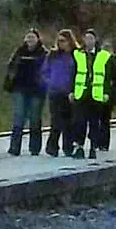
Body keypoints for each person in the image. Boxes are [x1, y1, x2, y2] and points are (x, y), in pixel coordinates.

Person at [69, 29, 116, 160]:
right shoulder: (77, 54)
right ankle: (79, 146)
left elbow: (109, 77)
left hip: (96, 94)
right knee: (79, 122)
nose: (88, 41)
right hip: (81, 93)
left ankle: (93, 147)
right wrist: (71, 91)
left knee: (94, 122)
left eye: (91, 38)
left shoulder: (104, 56)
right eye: (86, 38)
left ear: (95, 40)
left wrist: (107, 93)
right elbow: (73, 74)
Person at [4, 28, 48, 156]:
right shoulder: (19, 52)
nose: (30, 39)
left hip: (37, 90)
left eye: (33, 37)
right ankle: (14, 148)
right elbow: (11, 67)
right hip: (20, 88)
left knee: (35, 118)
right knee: (19, 116)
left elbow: (47, 70)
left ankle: (34, 148)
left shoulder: (43, 53)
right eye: (28, 37)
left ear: (38, 39)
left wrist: (44, 82)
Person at [41, 29, 78, 157]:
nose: (61, 43)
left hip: (69, 92)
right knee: (56, 120)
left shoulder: (76, 55)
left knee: (69, 121)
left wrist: (74, 89)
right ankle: (52, 147)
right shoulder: (53, 55)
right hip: (55, 91)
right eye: (59, 41)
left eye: (63, 41)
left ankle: (68, 147)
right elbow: (44, 71)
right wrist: (50, 82)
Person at [95, 39, 116, 150]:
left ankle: (99, 142)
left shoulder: (107, 61)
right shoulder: (115, 61)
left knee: (101, 119)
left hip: (102, 92)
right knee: (105, 120)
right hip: (107, 93)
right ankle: (103, 143)